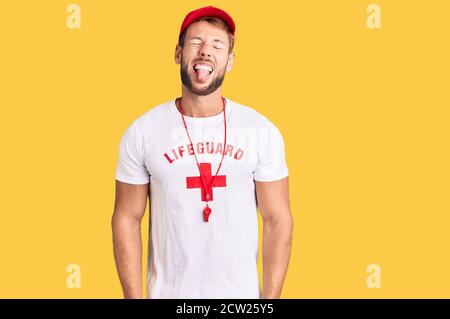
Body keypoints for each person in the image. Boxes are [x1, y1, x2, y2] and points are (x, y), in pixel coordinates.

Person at [112, 5, 293, 299]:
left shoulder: (261, 130)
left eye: (217, 45)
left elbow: (278, 220)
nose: (205, 51)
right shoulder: (143, 131)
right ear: (177, 53)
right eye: (196, 42)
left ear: (230, 61)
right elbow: (126, 219)